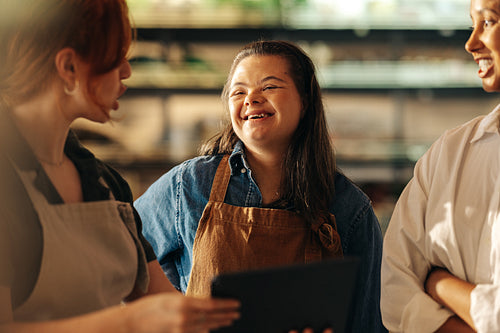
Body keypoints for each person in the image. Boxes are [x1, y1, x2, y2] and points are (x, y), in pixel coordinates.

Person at [0, 1, 240, 332]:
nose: (127, 71)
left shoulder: (106, 183)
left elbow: (168, 309)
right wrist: (129, 322)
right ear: (69, 66)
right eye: (115, 57)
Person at [135, 40, 386, 332]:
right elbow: (123, 258)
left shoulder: (349, 208)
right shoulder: (188, 186)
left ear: (304, 101)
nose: (251, 99)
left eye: (269, 87)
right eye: (238, 91)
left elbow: (367, 325)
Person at [381, 0, 500, 331]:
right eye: (471, 24)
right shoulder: (448, 153)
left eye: (488, 22)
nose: (471, 43)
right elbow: (393, 285)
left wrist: (439, 284)